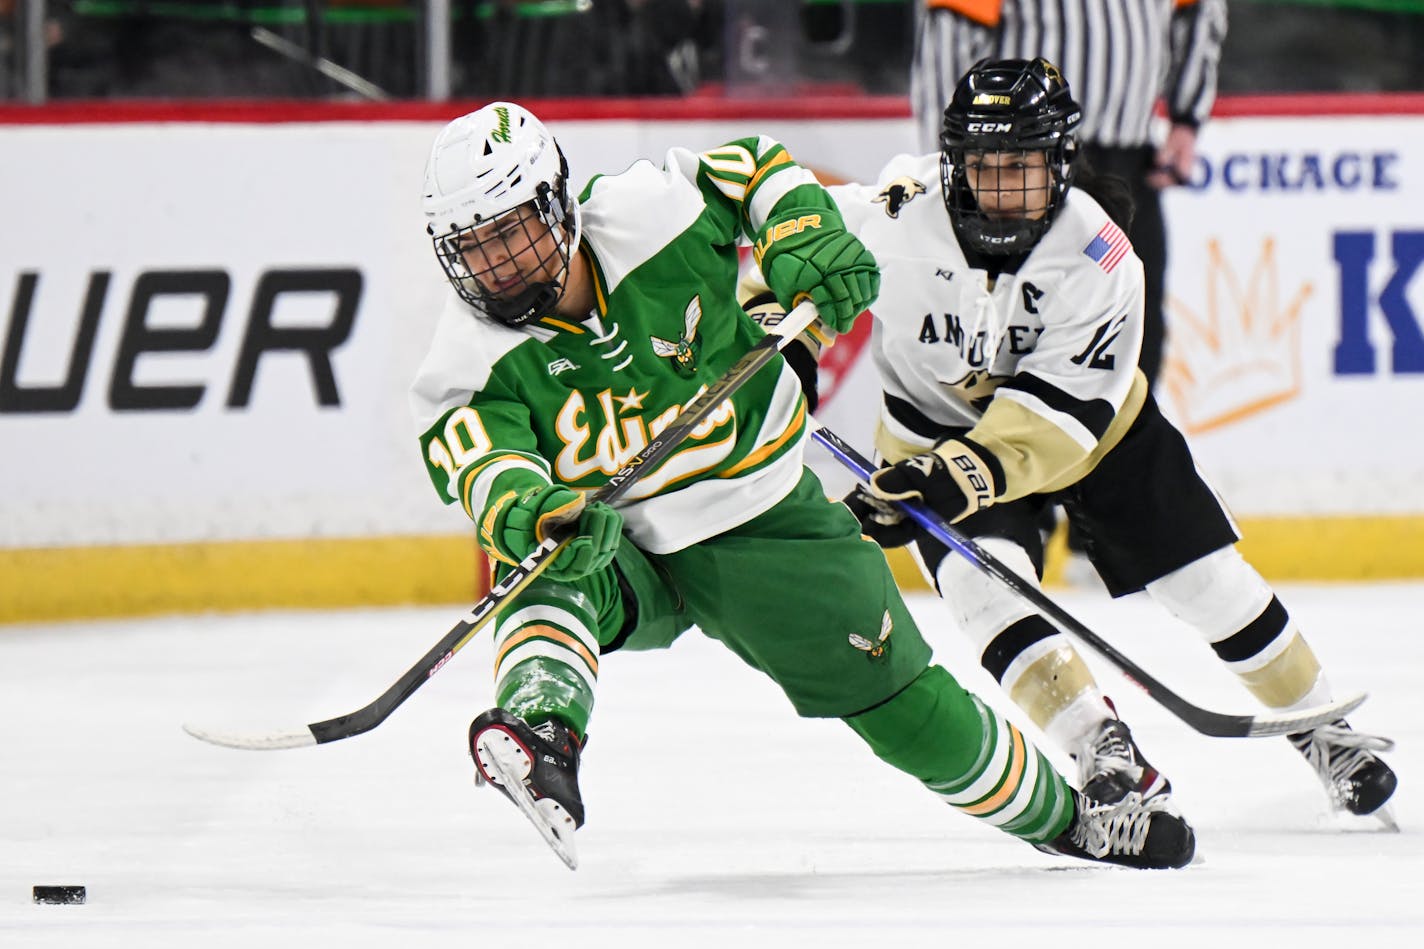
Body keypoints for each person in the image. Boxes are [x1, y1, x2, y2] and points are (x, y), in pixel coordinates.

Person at [408, 101, 1195, 869]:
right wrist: (538, 513)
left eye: (511, 233)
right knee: (544, 569)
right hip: (619, 549)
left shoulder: (650, 214)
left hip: (759, 517)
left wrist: (801, 238)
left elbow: (751, 170)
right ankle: (543, 735)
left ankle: (1072, 821)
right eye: (473, 248)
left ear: (558, 203)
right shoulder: (464, 359)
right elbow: (487, 467)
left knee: (899, 698)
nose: (497, 266)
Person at [801, 58, 1395, 825]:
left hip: (1097, 433)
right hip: (935, 434)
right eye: (986, 166)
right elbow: (802, 253)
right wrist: (787, 343)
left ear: (1061, 160)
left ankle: (1324, 730)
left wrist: (951, 477)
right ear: (952, 163)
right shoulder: (896, 210)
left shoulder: (1100, 253)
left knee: (1206, 582)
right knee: (986, 590)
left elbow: (1062, 414)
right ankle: (1100, 747)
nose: (1004, 187)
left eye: (1023, 165)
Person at [911, 0, 1228, 390]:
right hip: (1024, 165)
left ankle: (1121, 447)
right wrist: (957, 169)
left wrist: (1186, 117)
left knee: (1134, 323)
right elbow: (949, 36)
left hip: (1127, 162)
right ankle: (1009, 444)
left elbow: (1195, 10)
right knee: (1026, 327)